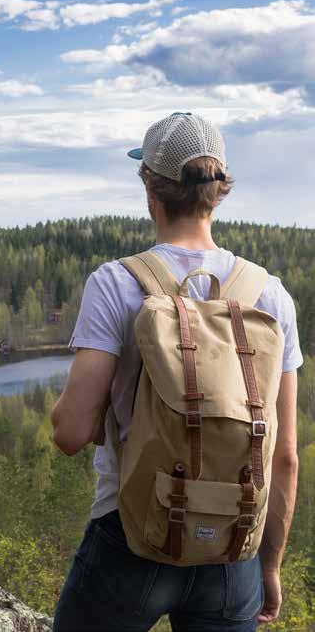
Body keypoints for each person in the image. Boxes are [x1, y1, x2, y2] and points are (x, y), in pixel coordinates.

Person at [50, 112, 301, 632]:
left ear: (150, 188)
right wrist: (269, 566)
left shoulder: (117, 283)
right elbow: (284, 458)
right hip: (234, 555)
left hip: (130, 538)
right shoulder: (270, 295)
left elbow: (70, 433)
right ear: (218, 191)